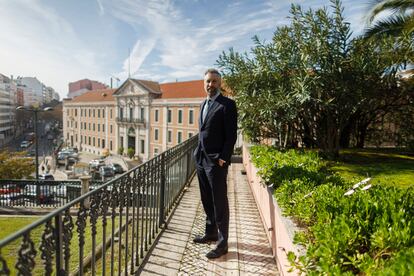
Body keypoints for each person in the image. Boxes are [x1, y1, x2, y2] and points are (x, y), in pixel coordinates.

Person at [193, 68, 238, 259]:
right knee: (206, 199)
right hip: (202, 159)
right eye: (208, 81)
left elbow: (231, 135)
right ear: (204, 83)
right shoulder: (203, 103)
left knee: (220, 202)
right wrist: (198, 153)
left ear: (220, 83)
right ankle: (210, 232)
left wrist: (223, 158)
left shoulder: (227, 105)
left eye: (214, 81)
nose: (210, 85)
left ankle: (222, 244)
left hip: (216, 162)